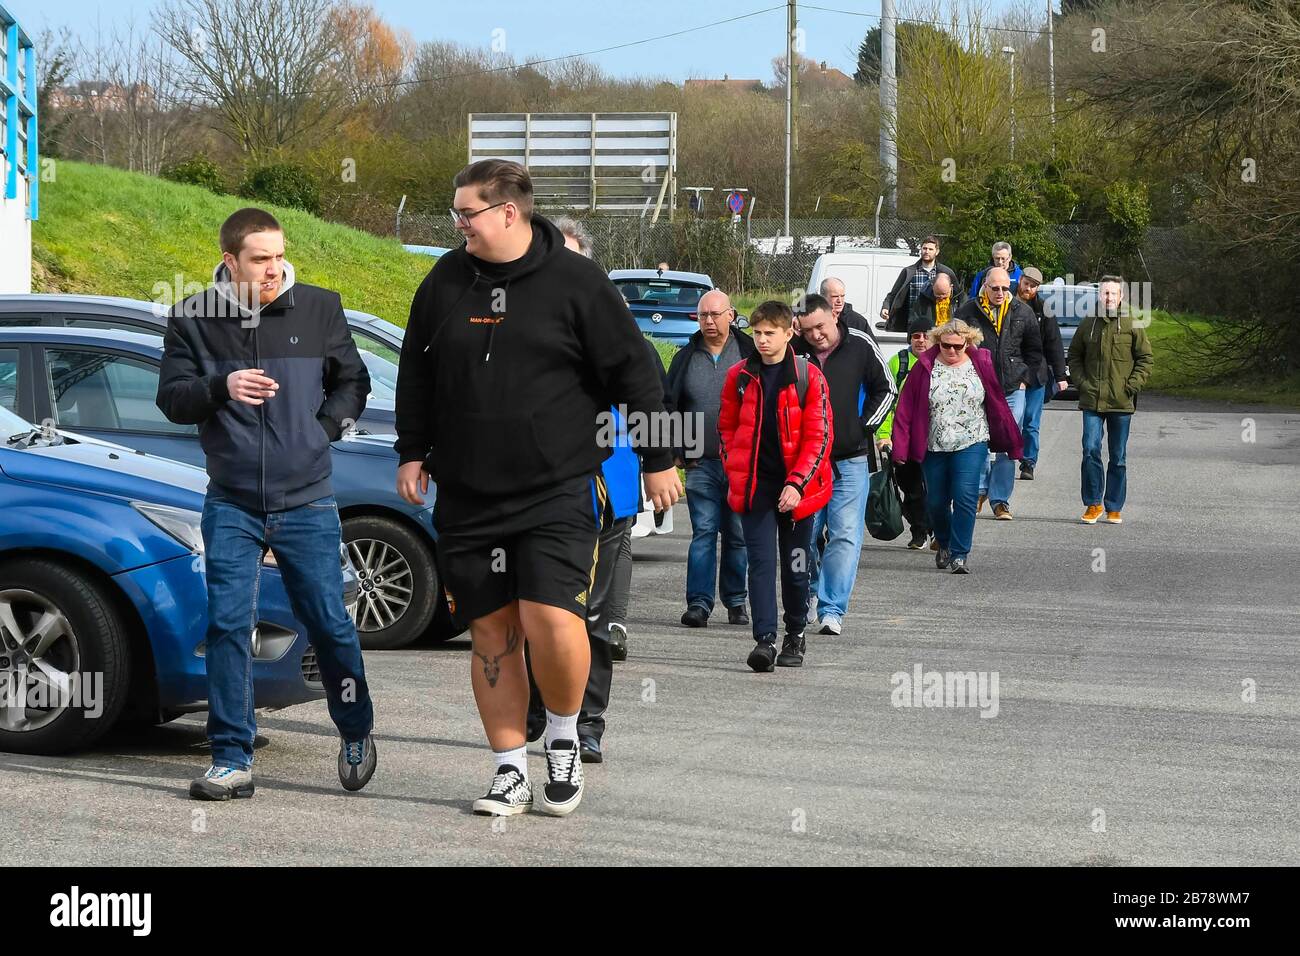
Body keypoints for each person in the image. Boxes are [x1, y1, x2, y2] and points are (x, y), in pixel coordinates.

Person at [394, 160, 681, 817]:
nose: (458, 224)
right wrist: (413, 452)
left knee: (552, 618)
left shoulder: (577, 284)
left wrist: (659, 458)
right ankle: (507, 770)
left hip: (556, 486)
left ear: (508, 213)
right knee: (491, 632)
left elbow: (636, 375)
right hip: (468, 490)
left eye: (467, 213)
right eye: (456, 214)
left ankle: (561, 736)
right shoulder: (445, 281)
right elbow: (416, 370)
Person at [156, 207, 377, 800]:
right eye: (261, 259)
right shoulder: (193, 316)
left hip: (306, 498)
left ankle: (355, 726)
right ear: (231, 261)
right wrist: (219, 388)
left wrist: (323, 430)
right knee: (228, 624)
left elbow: (354, 383)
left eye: (280, 256)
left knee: (329, 623)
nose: (275, 269)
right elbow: (172, 400)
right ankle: (232, 756)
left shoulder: (319, 306)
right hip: (230, 501)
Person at [718, 300, 833, 671]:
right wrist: (736, 473)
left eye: (770, 333)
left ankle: (795, 633)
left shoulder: (808, 376)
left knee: (797, 566)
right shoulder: (739, 376)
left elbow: (820, 437)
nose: (762, 340)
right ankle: (764, 640)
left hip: (798, 491)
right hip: (756, 489)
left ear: (789, 334)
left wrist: (797, 484)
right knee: (761, 565)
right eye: (757, 333)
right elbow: (726, 430)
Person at [793, 293, 894, 636]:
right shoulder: (794, 350)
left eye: (820, 327)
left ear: (834, 317)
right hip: (805, 463)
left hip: (850, 459)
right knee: (803, 535)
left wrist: (861, 427)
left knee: (845, 535)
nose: (815, 335)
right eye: (807, 330)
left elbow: (887, 389)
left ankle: (832, 608)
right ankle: (806, 594)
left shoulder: (861, 344)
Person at [888, 320, 1024, 573]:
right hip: (934, 444)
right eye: (945, 346)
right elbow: (905, 409)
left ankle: (960, 553)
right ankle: (945, 543)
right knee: (937, 502)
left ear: (968, 343)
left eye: (957, 347)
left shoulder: (981, 362)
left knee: (965, 496)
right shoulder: (924, 367)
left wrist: (1009, 439)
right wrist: (900, 448)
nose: (951, 351)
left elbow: (996, 401)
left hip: (972, 440)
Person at [663, 289, 752, 628]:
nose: (709, 321)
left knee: (737, 534)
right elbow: (669, 406)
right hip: (701, 463)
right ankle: (699, 604)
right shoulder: (686, 357)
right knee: (703, 532)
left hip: (740, 463)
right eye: (703, 316)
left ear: (731, 315)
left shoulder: (748, 352)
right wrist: (676, 451)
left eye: (716, 315)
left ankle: (736, 602)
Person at [955, 266, 1042, 520]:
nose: (1002, 292)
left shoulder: (1022, 312)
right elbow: (954, 346)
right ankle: (980, 491)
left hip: (1013, 387)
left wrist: (1025, 379)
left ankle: (1000, 500)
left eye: (1006, 287)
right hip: (978, 387)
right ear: (985, 285)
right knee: (979, 440)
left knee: (1007, 443)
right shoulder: (968, 311)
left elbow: (1034, 352)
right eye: (996, 288)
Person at [1067, 275, 1154, 524]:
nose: (1108, 297)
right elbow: (1074, 357)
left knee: (1118, 456)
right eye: (1104, 293)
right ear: (1099, 295)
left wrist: (1131, 386)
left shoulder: (1133, 324)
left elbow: (1145, 359)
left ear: (1121, 297)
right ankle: (1093, 504)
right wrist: (1083, 384)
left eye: (1112, 294)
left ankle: (1114, 506)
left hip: (1121, 402)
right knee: (1091, 450)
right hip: (1092, 401)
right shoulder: (1088, 324)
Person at [877, 315, 934, 550]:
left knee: (934, 488)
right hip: (903, 438)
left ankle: (935, 530)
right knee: (909, 489)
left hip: (931, 438)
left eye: (926, 336)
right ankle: (919, 530)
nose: (920, 340)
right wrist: (884, 434)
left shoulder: (941, 361)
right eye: (915, 336)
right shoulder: (897, 362)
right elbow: (886, 403)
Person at [1015, 266, 1069, 480]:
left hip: (1036, 374)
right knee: (1012, 418)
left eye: (1033, 286)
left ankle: (1028, 462)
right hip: (1011, 372)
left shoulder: (1044, 309)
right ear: (1020, 281)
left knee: (1031, 420)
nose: (1028, 288)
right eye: (1026, 283)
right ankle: (1008, 455)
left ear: (1038, 288)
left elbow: (1054, 343)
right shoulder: (1006, 302)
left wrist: (1061, 375)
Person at [882, 236, 959, 333]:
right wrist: (886, 307)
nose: (927, 251)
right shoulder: (909, 272)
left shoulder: (946, 273)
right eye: (924, 248)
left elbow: (959, 295)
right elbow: (894, 293)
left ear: (937, 252)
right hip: (914, 322)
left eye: (930, 249)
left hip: (939, 323)